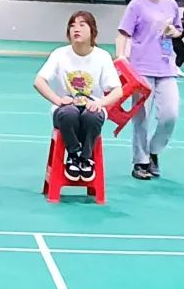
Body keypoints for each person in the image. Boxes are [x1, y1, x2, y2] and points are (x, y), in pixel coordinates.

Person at [33, 11, 123, 182]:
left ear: (92, 31)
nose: (76, 29)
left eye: (82, 25)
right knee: (69, 113)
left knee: (92, 116)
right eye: (72, 25)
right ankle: (73, 155)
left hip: (92, 108)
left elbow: (117, 90)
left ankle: (86, 158)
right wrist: (58, 100)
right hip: (65, 109)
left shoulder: (102, 56)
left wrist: (101, 103)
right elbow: (38, 81)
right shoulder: (59, 54)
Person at [115, 0, 182, 181]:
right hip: (141, 70)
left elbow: (178, 30)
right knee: (141, 119)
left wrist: (173, 32)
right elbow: (123, 34)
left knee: (170, 114)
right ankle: (140, 161)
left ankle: (154, 151)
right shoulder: (136, 6)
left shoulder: (171, 4)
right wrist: (121, 58)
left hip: (166, 68)